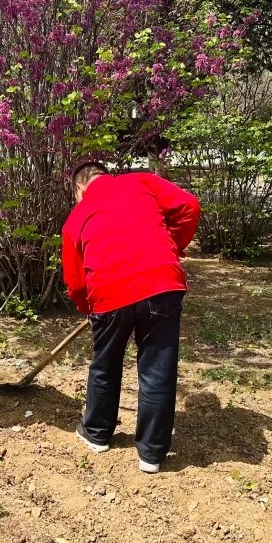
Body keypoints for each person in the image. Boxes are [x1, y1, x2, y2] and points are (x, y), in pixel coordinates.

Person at [61, 161, 200, 473]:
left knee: (105, 365)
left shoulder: (75, 218)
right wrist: (170, 247)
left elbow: (74, 280)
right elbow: (189, 205)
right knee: (157, 370)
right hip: (163, 284)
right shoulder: (142, 181)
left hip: (109, 294)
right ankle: (151, 454)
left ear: (80, 189)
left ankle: (97, 434)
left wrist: (88, 308)